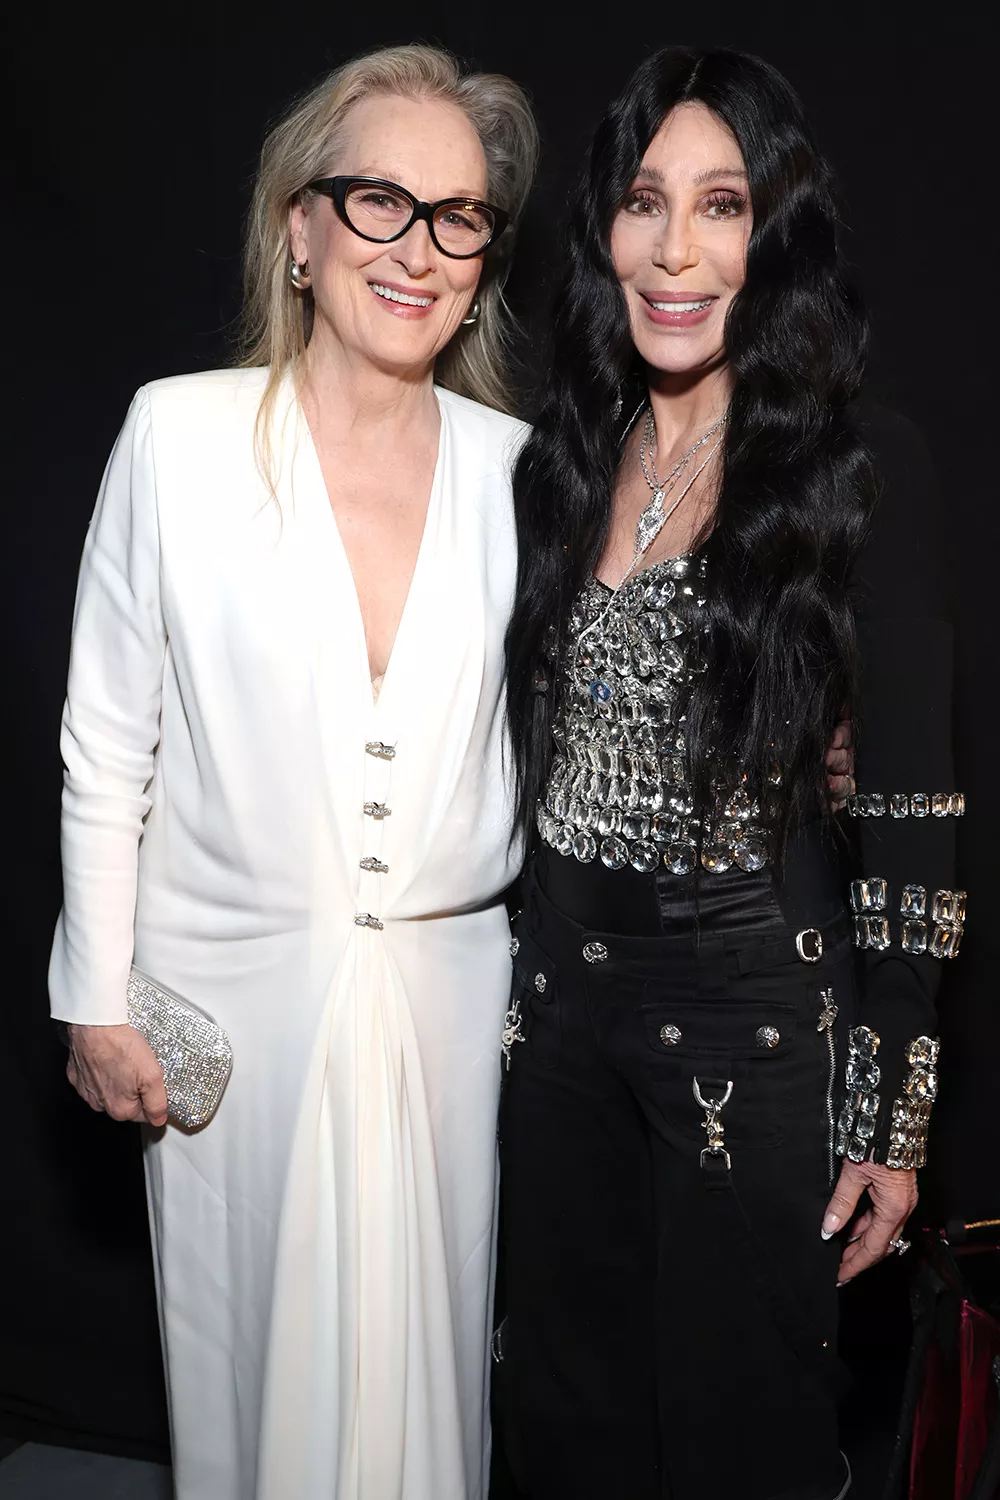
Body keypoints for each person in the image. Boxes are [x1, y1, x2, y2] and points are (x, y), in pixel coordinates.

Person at [48, 44, 537, 1500]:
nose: (420, 248)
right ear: (299, 227)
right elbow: (104, 737)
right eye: (378, 201)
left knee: (432, 1388)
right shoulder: (179, 435)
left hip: (452, 1007)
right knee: (250, 1385)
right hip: (230, 1013)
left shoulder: (529, 469)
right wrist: (95, 991)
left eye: (457, 216)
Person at [499, 46, 960, 1500]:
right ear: (606, 230)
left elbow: (912, 816)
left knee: (736, 1432)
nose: (677, 250)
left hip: (752, 1018)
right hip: (559, 1004)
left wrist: (891, 1113)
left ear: (779, 235)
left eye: (723, 205)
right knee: (563, 1421)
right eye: (646, 202)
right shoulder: (563, 459)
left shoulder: (852, 469)